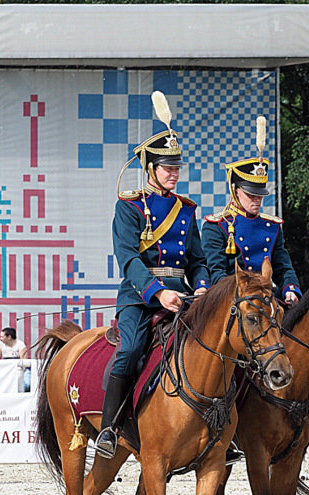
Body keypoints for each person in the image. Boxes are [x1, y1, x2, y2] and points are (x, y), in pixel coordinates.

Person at [95, 92, 210, 460]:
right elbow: (127, 258)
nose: (173, 174)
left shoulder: (186, 210)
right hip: (140, 297)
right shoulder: (129, 207)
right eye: (166, 168)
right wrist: (158, 293)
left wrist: (204, 285)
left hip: (184, 298)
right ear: (150, 169)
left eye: (176, 167)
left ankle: (223, 429)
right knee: (129, 352)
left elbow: (197, 259)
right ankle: (111, 427)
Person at [203, 119, 301, 303]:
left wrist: (290, 289)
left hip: (270, 296)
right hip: (235, 299)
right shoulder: (217, 226)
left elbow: (283, 267)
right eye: (251, 194)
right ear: (235, 190)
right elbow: (216, 273)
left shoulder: (272, 226)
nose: (257, 199)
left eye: (260, 194)